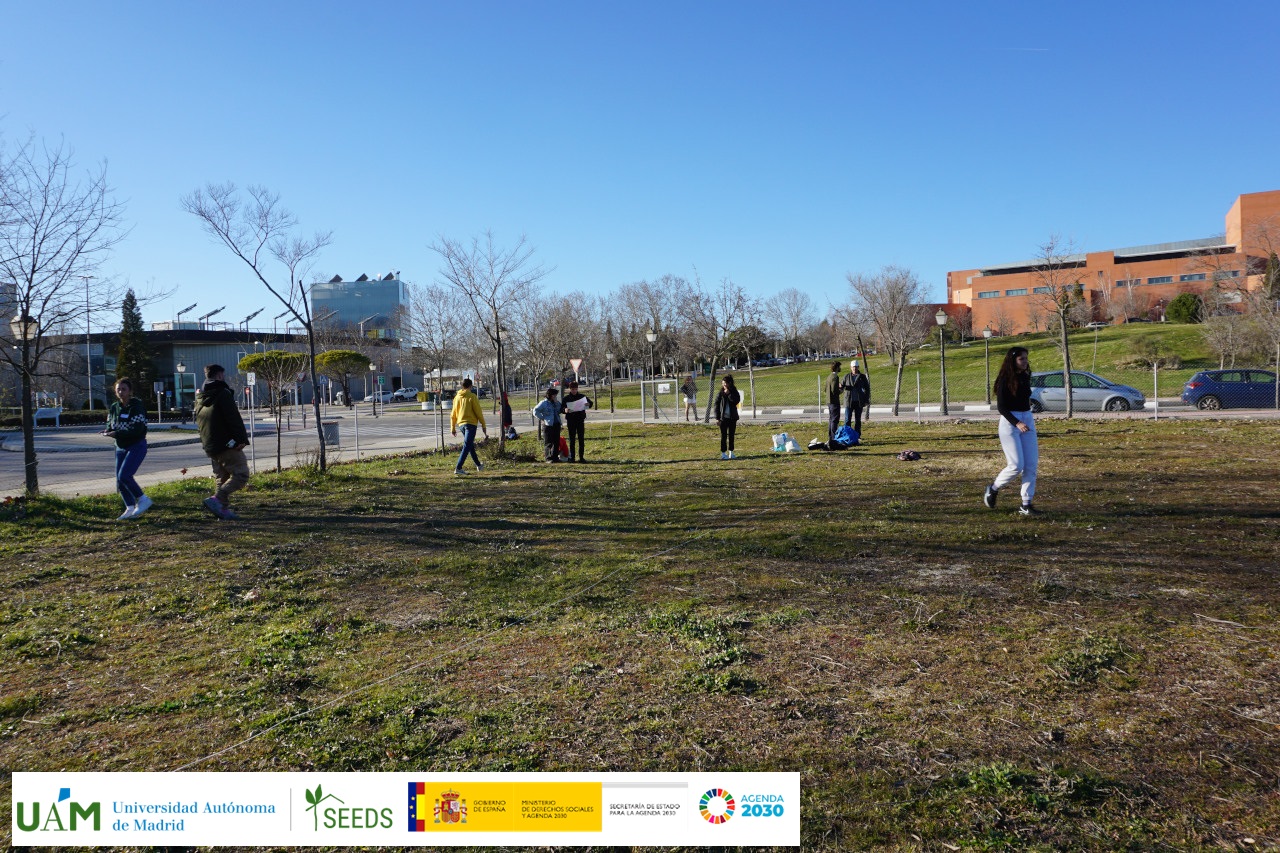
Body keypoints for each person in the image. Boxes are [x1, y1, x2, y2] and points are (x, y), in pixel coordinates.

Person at [984, 346, 1041, 516]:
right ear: (1012, 361)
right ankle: (993, 489)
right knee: (1016, 465)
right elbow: (1002, 407)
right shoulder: (1004, 380)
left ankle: (1026, 504)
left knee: (1031, 466)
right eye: (1021, 359)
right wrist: (1017, 423)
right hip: (1010, 423)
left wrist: (1025, 418)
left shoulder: (1025, 376)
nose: (1025, 362)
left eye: (1026, 358)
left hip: (1027, 419)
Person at [194, 364, 250, 520]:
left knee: (222, 477)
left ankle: (221, 510)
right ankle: (218, 499)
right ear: (219, 376)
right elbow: (233, 418)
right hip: (227, 443)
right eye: (223, 376)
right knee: (241, 474)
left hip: (211, 445)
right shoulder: (222, 393)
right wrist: (241, 439)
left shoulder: (200, 398)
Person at [104, 378, 151, 520]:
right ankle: (129, 507)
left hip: (136, 445)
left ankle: (143, 499)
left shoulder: (136, 406)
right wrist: (107, 431)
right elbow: (110, 423)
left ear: (130, 391)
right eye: (118, 389)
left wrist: (117, 433)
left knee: (125, 475)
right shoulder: (114, 407)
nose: (120, 392)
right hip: (120, 446)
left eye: (124, 389)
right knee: (120, 480)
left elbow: (137, 429)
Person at [449, 378, 488, 475]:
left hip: (461, 424)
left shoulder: (456, 398)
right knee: (467, 445)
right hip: (471, 424)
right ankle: (458, 468)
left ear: (462, 386)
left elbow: (453, 414)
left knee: (470, 445)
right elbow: (478, 412)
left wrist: (452, 428)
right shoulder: (472, 396)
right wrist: (483, 425)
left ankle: (478, 465)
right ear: (470, 386)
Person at [561, 381, 593, 462]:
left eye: (575, 389)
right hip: (571, 421)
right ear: (570, 389)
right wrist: (565, 410)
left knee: (581, 439)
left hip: (580, 420)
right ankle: (572, 457)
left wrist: (588, 404)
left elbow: (590, 403)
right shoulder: (566, 398)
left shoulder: (582, 397)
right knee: (572, 440)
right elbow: (561, 409)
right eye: (572, 389)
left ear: (577, 389)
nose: (574, 391)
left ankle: (581, 457)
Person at [713, 374, 741, 459]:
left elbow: (736, 401)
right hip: (723, 418)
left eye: (726, 383)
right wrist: (717, 418)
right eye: (723, 383)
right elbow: (716, 405)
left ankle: (731, 452)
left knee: (731, 435)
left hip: (732, 418)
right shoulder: (720, 393)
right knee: (723, 436)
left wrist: (729, 394)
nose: (724, 385)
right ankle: (723, 453)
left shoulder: (734, 391)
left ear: (730, 383)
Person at [533, 386, 563, 463]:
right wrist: (543, 418)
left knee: (556, 442)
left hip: (556, 424)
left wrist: (556, 402)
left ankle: (555, 457)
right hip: (548, 425)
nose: (555, 396)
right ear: (550, 395)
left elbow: (560, 410)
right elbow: (535, 411)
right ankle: (548, 458)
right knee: (548, 442)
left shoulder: (556, 403)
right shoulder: (544, 403)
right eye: (554, 395)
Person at [840, 361, 871, 434]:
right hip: (849, 401)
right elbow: (842, 386)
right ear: (851, 368)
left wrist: (866, 399)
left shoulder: (862, 377)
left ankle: (857, 435)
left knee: (858, 419)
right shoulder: (846, 376)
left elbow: (867, 389)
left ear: (858, 367)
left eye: (856, 367)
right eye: (853, 367)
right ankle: (847, 435)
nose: (854, 369)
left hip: (859, 401)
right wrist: (840, 387)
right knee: (847, 419)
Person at [824, 361, 842, 441]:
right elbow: (835, 390)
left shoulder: (829, 376)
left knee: (831, 419)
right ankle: (834, 438)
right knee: (835, 419)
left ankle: (830, 436)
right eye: (839, 366)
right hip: (834, 401)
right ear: (837, 367)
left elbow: (825, 389)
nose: (840, 368)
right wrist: (841, 390)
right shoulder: (835, 377)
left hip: (829, 401)